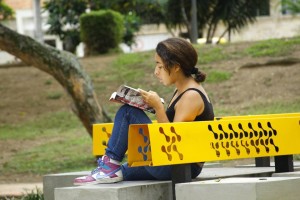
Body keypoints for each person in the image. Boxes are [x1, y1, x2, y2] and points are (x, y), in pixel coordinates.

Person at [74, 37, 214, 185]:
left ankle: (109, 165)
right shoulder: (182, 90)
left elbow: (172, 141)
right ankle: (109, 169)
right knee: (121, 171)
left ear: (176, 67)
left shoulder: (191, 96)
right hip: (174, 162)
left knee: (128, 112)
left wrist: (158, 107)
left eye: (160, 66)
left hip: (178, 166)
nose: (156, 72)